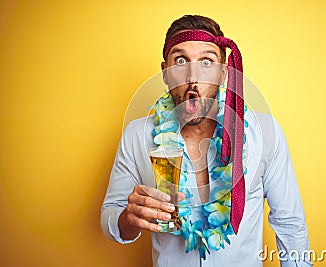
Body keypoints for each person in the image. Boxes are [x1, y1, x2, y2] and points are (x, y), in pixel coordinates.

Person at [101, 15, 312, 267]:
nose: (193, 77)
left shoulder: (264, 132)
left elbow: (290, 224)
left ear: (224, 73)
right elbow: (109, 218)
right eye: (180, 61)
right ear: (165, 74)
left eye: (206, 61)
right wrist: (129, 218)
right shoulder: (137, 136)